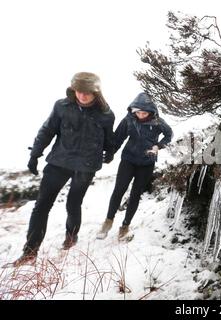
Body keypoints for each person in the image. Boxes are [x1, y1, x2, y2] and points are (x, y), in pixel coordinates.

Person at [6, 72, 115, 267]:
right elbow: (47, 130)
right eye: (79, 91)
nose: (82, 96)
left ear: (96, 93)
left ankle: (71, 237)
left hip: (86, 166)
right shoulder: (62, 106)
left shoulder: (106, 115)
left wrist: (110, 152)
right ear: (74, 90)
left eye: (87, 93)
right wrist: (35, 154)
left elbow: (109, 140)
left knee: (73, 204)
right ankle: (30, 252)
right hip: (59, 162)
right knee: (41, 206)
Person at [96, 92, 173, 240]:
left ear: (151, 111)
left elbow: (169, 134)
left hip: (147, 162)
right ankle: (108, 222)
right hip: (128, 160)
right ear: (133, 110)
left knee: (135, 194)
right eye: (138, 112)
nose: (141, 115)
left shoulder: (158, 122)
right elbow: (118, 139)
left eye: (144, 112)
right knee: (119, 189)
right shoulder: (129, 120)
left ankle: (125, 226)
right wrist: (110, 154)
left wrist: (158, 146)